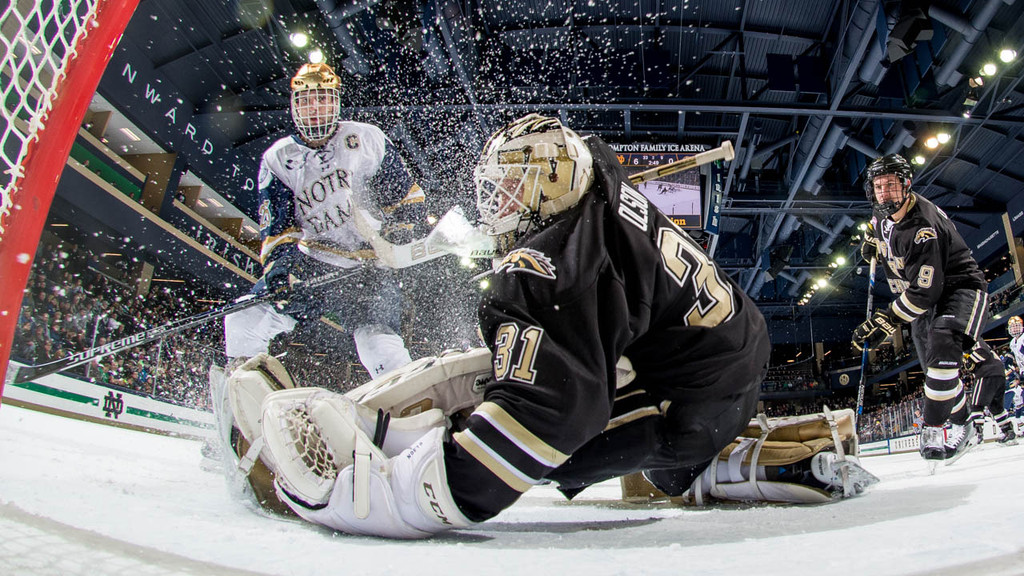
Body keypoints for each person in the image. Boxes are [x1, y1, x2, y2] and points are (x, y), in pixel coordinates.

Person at [231, 114, 875, 540]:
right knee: (469, 369)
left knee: (524, 421)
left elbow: (546, 417)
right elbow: (584, 161)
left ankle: (374, 464)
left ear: (549, 185)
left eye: (510, 189)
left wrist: (401, 504)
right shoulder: (593, 175)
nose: (496, 205)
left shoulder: (553, 269)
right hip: (713, 348)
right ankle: (366, 419)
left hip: (691, 398)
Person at [222, 62, 425, 378]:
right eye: (306, 100)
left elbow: (406, 198)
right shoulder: (279, 159)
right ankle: (242, 408)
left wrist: (403, 228)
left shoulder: (367, 140)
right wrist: (281, 273)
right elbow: (279, 229)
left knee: (379, 347)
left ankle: (411, 407)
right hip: (314, 261)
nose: (315, 108)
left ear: (337, 103)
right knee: (242, 320)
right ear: (294, 106)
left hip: (368, 269)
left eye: (323, 99)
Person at [854, 154, 1015, 463]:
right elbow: (876, 228)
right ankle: (962, 424)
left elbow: (926, 293)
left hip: (958, 289)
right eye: (878, 186)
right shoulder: (881, 207)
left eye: (890, 185)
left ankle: (933, 429)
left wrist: (887, 320)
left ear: (906, 184)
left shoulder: (922, 226)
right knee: (933, 371)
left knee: (943, 341)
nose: (884, 192)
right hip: (922, 299)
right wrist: (871, 243)